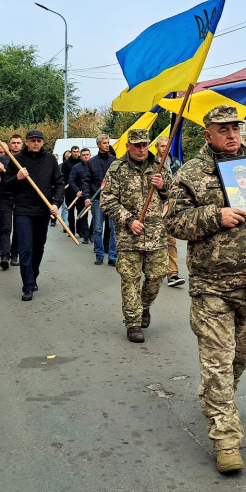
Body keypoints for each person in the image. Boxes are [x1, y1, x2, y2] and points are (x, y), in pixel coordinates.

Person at [165, 105, 246, 474]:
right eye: (223, 130)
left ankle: (216, 397)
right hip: (212, 286)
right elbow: (174, 222)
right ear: (207, 134)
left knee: (242, 354)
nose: (232, 135)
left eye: (235, 128)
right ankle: (226, 439)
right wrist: (213, 216)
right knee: (218, 361)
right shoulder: (192, 173)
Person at [101, 128, 172, 342]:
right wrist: (129, 220)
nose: (142, 149)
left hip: (156, 235)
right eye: (137, 145)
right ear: (128, 146)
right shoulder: (117, 169)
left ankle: (144, 305)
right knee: (130, 279)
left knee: (156, 276)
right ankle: (132, 323)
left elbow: (175, 195)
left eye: (144, 145)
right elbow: (107, 201)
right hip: (128, 237)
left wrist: (163, 187)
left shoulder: (159, 166)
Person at [6, 129, 62, 301]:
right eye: (33, 140)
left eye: (39, 140)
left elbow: (59, 183)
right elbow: (6, 185)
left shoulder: (50, 160)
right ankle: (27, 285)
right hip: (23, 211)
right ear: (27, 142)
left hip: (43, 211)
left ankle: (33, 276)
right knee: (25, 249)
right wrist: (18, 177)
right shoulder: (17, 160)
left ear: (43, 142)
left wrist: (56, 203)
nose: (36, 143)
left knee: (38, 248)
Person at [80, 134, 118, 266]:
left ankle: (112, 255)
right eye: (104, 143)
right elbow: (86, 181)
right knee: (97, 229)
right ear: (98, 145)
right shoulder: (91, 162)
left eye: (108, 142)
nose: (107, 145)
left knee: (113, 228)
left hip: (113, 200)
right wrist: (86, 197)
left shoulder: (115, 161)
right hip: (97, 199)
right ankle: (99, 255)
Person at [155, 136, 185, 287]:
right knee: (155, 242)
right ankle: (154, 271)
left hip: (171, 207)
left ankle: (172, 274)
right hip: (154, 209)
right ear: (156, 147)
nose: (164, 148)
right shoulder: (152, 164)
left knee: (171, 241)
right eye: (161, 146)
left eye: (167, 146)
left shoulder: (177, 164)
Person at [0, 135, 24, 270]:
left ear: (22, 145)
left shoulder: (25, 159)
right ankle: (4, 255)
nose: (16, 145)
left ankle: (14, 254)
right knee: (6, 227)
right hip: (5, 197)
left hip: (21, 198)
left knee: (18, 228)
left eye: (18, 143)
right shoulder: (2, 159)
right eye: (13, 143)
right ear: (9, 145)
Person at [60, 147, 79, 226]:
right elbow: (63, 176)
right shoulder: (66, 163)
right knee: (69, 209)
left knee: (80, 209)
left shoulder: (81, 162)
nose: (75, 153)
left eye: (77, 151)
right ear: (71, 152)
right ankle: (70, 228)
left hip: (79, 189)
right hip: (69, 189)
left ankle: (80, 229)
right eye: (74, 151)